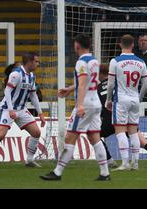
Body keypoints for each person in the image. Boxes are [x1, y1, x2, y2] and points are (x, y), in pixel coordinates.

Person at [40, 34, 110, 181]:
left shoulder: (81, 62)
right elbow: (92, 81)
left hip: (85, 105)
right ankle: (105, 173)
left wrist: (79, 106)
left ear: (77, 45)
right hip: (95, 103)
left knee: (70, 137)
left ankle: (57, 172)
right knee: (94, 137)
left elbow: (83, 84)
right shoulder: (94, 61)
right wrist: (70, 89)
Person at [97, 63, 147, 168]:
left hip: (110, 120)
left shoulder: (98, 88)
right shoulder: (120, 83)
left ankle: (110, 160)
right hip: (125, 117)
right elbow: (137, 96)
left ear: (100, 74)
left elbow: (99, 106)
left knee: (95, 136)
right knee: (143, 142)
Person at [0, 53, 46, 168]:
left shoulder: (31, 76)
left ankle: (29, 160)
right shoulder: (16, 74)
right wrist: (11, 110)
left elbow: (33, 96)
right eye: (36, 61)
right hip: (8, 108)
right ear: (30, 62)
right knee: (0, 135)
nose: (38, 64)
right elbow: (7, 91)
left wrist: (40, 113)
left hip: (21, 109)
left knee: (36, 132)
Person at [106, 34, 147, 171]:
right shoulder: (141, 62)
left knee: (120, 130)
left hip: (121, 99)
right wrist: (139, 98)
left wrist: (108, 99)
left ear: (120, 44)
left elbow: (110, 84)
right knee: (133, 131)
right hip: (135, 99)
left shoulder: (115, 61)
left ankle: (124, 163)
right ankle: (135, 163)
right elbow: (146, 84)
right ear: (133, 45)